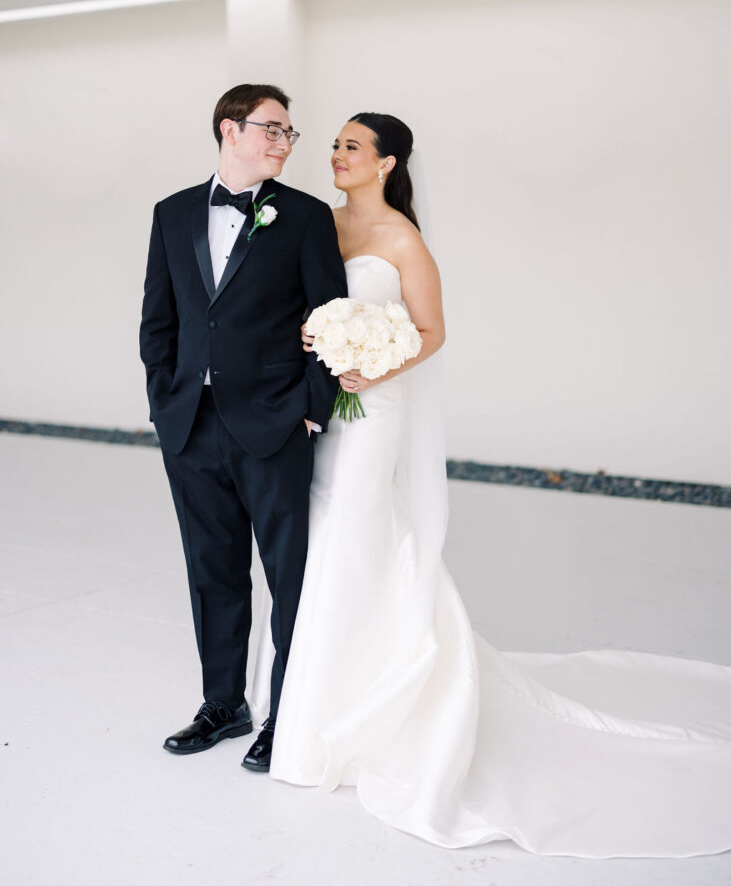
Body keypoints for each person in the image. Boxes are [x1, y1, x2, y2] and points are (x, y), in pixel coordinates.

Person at [263, 112, 731, 857]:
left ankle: (356, 712)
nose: (336, 154)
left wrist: (370, 362)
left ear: (386, 163)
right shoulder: (317, 226)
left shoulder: (403, 240)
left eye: (352, 146)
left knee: (355, 536)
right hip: (317, 410)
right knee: (318, 543)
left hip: (371, 405)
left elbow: (430, 330)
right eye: (335, 145)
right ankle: (303, 704)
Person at [139, 83, 347, 772]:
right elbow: (158, 323)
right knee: (212, 572)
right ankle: (224, 704)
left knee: (289, 576)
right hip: (190, 427)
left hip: (274, 423)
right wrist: (165, 401)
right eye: (273, 129)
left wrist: (310, 406)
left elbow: (330, 320)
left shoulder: (306, 217)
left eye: (289, 133)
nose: (285, 143)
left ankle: (287, 713)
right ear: (230, 130)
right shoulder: (170, 214)